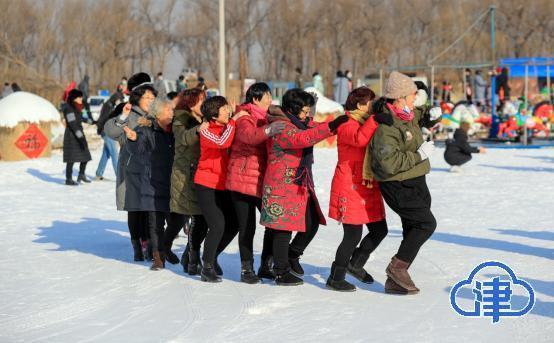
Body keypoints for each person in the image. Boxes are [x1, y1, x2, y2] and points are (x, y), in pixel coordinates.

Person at [260, 88, 349, 286]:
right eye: (304, 110)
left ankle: (292, 255)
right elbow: (302, 138)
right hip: (281, 184)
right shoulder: (280, 126)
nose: (307, 114)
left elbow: (312, 127)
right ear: (293, 108)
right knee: (282, 229)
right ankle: (280, 272)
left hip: (298, 183)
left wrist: (336, 124)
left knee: (312, 222)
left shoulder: (297, 122)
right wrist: (331, 126)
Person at [370, 71, 437, 295]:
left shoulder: (405, 114)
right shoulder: (386, 126)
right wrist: (420, 155)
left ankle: (395, 281)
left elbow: (418, 116)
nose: (415, 97)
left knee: (414, 226)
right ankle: (397, 267)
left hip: (415, 178)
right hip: (397, 183)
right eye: (412, 94)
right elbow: (389, 163)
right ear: (399, 97)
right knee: (425, 224)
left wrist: (430, 117)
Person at [217, 82, 286, 284]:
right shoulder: (245, 118)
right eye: (267, 96)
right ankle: (246, 269)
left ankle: (266, 265)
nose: (270, 99)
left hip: (261, 180)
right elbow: (249, 137)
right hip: (242, 180)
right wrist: (269, 130)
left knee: (272, 223)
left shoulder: (265, 117)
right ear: (255, 98)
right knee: (247, 227)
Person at [327, 87, 388, 292]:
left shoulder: (364, 121)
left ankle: (356, 264)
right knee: (352, 235)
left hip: (366, 183)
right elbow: (359, 139)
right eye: (371, 103)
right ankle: (336, 277)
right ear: (361, 104)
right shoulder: (346, 122)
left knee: (380, 229)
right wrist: (375, 120)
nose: (373, 107)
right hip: (349, 185)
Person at [104, 72, 158, 261]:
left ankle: (150, 243)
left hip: (152, 169)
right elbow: (110, 130)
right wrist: (123, 116)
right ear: (137, 96)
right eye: (147, 97)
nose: (151, 101)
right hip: (132, 169)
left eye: (153, 97)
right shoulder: (126, 111)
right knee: (135, 208)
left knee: (150, 208)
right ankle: (137, 244)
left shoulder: (155, 115)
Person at [193, 96, 246, 282]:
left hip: (224, 184)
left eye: (227, 108)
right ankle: (206, 267)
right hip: (206, 184)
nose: (228, 112)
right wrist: (233, 120)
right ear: (214, 115)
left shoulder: (226, 127)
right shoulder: (207, 131)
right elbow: (222, 142)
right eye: (223, 109)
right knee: (217, 225)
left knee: (233, 224)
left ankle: (212, 256)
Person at [123, 97, 175, 270]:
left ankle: (165, 248)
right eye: (168, 110)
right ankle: (157, 257)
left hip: (172, 183)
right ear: (158, 113)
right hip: (152, 184)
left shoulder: (174, 130)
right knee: (155, 224)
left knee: (176, 221)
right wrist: (133, 138)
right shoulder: (146, 130)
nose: (171, 113)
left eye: (172, 110)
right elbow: (138, 148)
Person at [164, 88, 209, 273]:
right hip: (185, 175)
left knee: (200, 218)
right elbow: (182, 138)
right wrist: (199, 129)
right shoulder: (181, 118)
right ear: (191, 103)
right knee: (188, 218)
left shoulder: (203, 119)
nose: (204, 105)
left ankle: (190, 255)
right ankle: (165, 250)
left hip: (199, 174)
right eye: (201, 101)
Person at [95, 82, 126, 180]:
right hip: (107, 131)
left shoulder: (111, 105)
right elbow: (103, 120)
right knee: (114, 153)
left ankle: (99, 173)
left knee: (106, 154)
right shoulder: (109, 107)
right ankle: (120, 176)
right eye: (119, 101)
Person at [62, 89, 93, 185]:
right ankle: (68, 179)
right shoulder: (69, 108)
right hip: (71, 136)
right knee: (71, 159)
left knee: (86, 156)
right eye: (79, 97)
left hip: (79, 134)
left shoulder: (76, 108)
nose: (81, 98)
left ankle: (81, 174)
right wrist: (80, 137)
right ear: (74, 98)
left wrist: (92, 121)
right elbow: (73, 124)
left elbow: (81, 118)